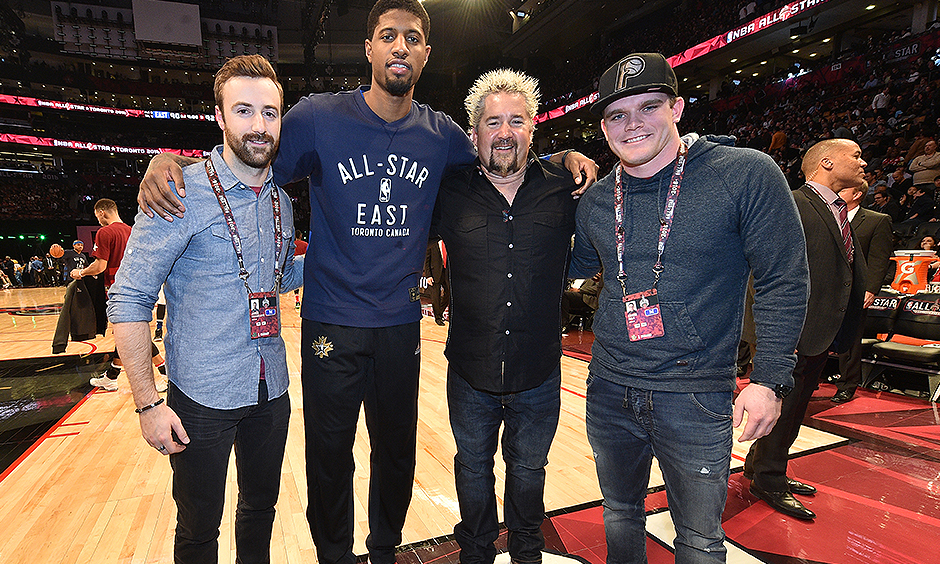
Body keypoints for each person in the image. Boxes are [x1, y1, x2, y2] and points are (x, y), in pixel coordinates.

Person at [134, 2, 597, 563]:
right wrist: (169, 161)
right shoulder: (316, 117)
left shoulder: (443, 134)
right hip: (330, 325)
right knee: (330, 457)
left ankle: (383, 552)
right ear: (370, 48)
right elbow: (246, 156)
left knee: (396, 457)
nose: (400, 46)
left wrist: (567, 154)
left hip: (400, 327)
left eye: (413, 38)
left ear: (426, 53)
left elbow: (503, 157)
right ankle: (335, 555)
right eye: (388, 35)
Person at [569, 52, 809, 563]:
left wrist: (769, 380)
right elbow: (576, 267)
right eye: (617, 115)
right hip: (610, 386)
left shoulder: (744, 173)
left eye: (648, 107)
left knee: (699, 540)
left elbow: (783, 280)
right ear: (604, 127)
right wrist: (552, 165)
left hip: (696, 394)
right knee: (619, 512)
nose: (632, 124)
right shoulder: (594, 201)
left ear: (677, 107)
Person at [107, 55, 303, 564]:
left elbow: (276, 279)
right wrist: (148, 404)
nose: (259, 126)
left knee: (260, 511)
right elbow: (128, 298)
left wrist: (344, 255)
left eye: (270, 112)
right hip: (200, 396)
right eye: (244, 111)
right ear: (218, 116)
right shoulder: (178, 192)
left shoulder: (282, 201)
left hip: (270, 388)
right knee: (198, 529)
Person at [431, 69, 578, 564]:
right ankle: (475, 551)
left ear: (533, 129)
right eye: (492, 122)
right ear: (474, 134)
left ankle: (526, 551)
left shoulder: (564, 186)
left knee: (529, 470)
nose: (504, 132)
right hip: (471, 368)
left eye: (516, 121)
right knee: (473, 468)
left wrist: (571, 159)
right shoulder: (448, 191)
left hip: (538, 369)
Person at [745, 138, 868, 520]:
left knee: (794, 409)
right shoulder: (793, 202)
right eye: (856, 155)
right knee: (783, 407)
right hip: (793, 332)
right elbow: (764, 272)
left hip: (821, 329)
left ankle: (761, 466)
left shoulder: (836, 209)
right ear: (827, 162)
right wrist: (770, 336)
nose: (863, 162)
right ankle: (769, 478)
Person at [71, 199, 166, 391]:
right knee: (128, 334)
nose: (97, 219)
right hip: (136, 287)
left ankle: (163, 374)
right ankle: (112, 376)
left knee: (132, 336)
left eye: (97, 215)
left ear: (102, 212)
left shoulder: (104, 232)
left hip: (118, 289)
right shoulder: (131, 230)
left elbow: (100, 266)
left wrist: (80, 273)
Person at [832, 181, 893, 404]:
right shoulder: (829, 217)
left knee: (850, 339)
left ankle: (847, 384)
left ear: (857, 194)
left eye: (842, 190)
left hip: (856, 289)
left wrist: (871, 289)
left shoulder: (878, 220)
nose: (837, 193)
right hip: (826, 287)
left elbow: (879, 260)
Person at [424, 234, 447, 325]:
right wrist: (428, 276)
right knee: (435, 296)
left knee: (448, 293)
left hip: (446, 271)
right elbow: (427, 260)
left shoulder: (448, 242)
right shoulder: (432, 243)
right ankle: (438, 317)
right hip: (435, 273)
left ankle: (439, 312)